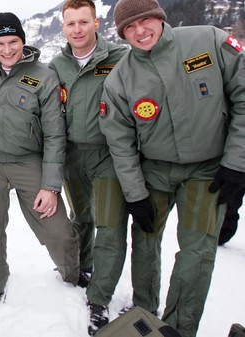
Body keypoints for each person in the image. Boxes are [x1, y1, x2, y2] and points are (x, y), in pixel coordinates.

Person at [99, 0, 245, 336]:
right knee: (145, 240)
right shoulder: (121, 78)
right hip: (155, 171)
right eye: (130, 28)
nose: (140, 31)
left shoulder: (208, 41)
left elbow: (242, 95)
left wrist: (237, 163)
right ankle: (145, 311)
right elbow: (119, 142)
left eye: (146, 20)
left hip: (208, 170)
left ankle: (180, 326)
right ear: (122, 34)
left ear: (160, 18)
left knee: (198, 250)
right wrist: (135, 195)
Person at [0, 12, 84, 302]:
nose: (7, 50)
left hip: (28, 162)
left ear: (23, 41)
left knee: (58, 230)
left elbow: (55, 136)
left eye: (13, 41)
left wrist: (50, 186)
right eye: (0, 43)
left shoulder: (44, 76)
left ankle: (71, 276)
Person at [48, 0, 130, 334]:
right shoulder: (57, 65)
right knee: (81, 217)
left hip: (109, 155)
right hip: (72, 156)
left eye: (84, 22)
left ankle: (99, 298)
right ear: (63, 27)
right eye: (71, 24)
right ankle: (81, 266)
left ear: (96, 23)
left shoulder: (120, 59)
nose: (77, 29)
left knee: (109, 226)